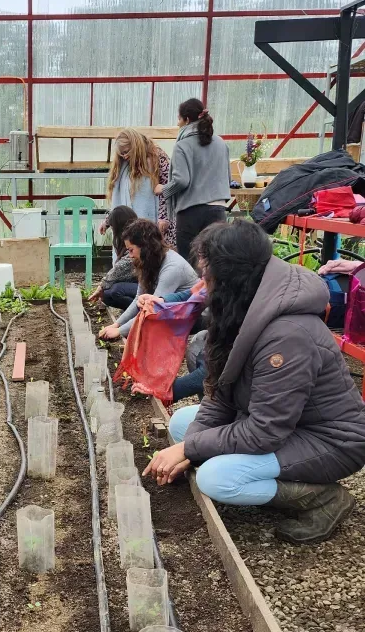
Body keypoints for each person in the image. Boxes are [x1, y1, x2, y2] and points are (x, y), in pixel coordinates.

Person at [143, 219, 365, 544]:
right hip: (285, 425)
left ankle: (324, 499)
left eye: (208, 272)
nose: (202, 283)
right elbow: (220, 396)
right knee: (181, 424)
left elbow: (264, 431)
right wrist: (189, 448)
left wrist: (191, 451)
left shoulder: (287, 336)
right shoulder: (243, 307)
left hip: (329, 441)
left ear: (232, 275)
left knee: (215, 479)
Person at [156, 98, 231, 262]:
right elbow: (227, 178)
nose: (177, 124)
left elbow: (182, 180)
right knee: (215, 263)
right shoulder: (221, 144)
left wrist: (163, 189)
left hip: (191, 213)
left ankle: (192, 289)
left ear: (187, 120)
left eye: (178, 119)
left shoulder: (182, 145)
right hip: (218, 211)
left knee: (189, 264)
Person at [99, 218, 197, 341]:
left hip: (194, 317)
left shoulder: (172, 268)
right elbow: (138, 298)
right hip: (173, 311)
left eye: (131, 250)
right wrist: (116, 324)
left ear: (145, 246)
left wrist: (119, 331)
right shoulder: (148, 262)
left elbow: (154, 310)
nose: (130, 255)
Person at [100, 129, 175, 249]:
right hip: (130, 228)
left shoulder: (157, 157)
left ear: (135, 145)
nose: (125, 156)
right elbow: (120, 199)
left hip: (154, 224)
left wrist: (163, 218)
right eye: (121, 154)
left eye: (126, 152)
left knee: (151, 254)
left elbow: (168, 188)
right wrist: (108, 220)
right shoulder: (123, 165)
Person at [88, 206, 137, 310]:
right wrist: (106, 223)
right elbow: (113, 212)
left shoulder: (136, 239)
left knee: (116, 290)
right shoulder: (132, 233)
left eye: (113, 226)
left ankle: (140, 313)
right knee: (106, 296)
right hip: (138, 283)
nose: (112, 229)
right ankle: (130, 312)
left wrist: (101, 286)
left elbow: (120, 268)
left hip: (151, 287)